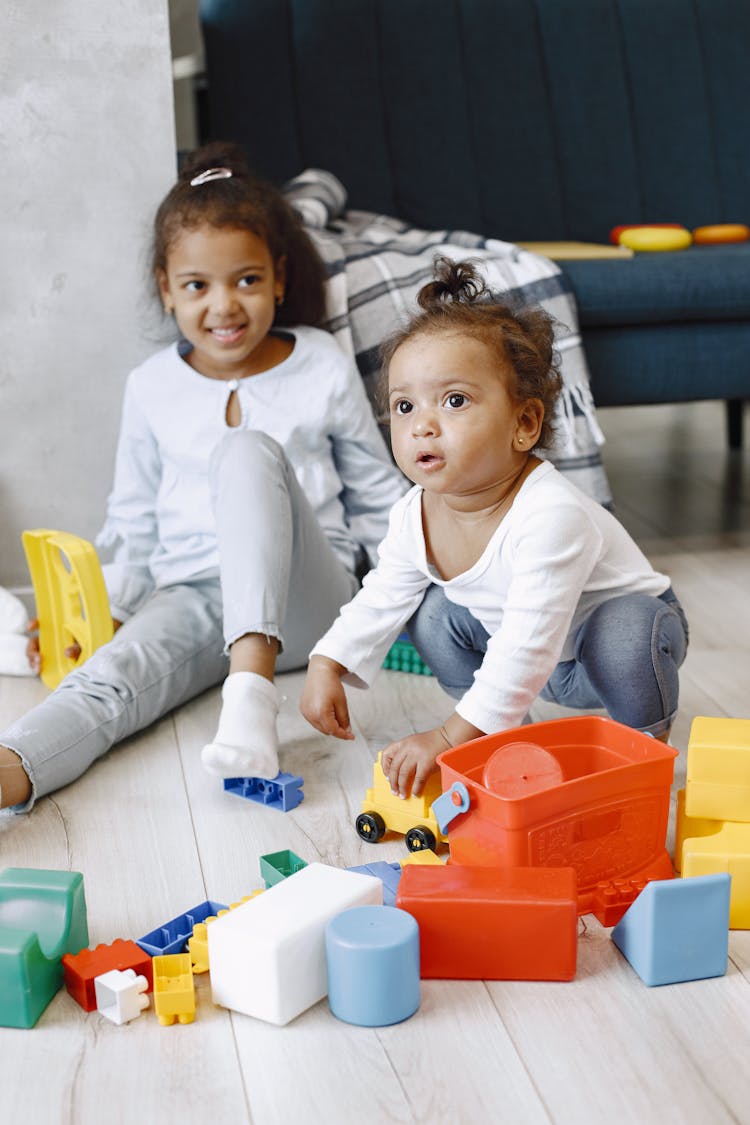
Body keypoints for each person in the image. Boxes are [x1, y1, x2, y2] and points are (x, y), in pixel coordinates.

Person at [0, 142, 406, 812]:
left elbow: (381, 501)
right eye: (197, 286)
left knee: (246, 451)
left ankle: (249, 696)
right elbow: (132, 523)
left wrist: (399, 603)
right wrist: (105, 614)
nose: (225, 305)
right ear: (166, 289)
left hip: (307, 605)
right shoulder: (151, 386)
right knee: (113, 675)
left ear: (278, 278)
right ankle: (15, 766)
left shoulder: (320, 363)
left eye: (246, 280)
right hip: (192, 597)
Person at [301, 258, 689, 799]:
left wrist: (443, 736)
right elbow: (381, 597)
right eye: (404, 406)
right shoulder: (414, 512)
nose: (423, 425)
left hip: (611, 650)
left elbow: (529, 643)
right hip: (533, 661)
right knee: (432, 615)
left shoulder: (550, 513)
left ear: (524, 424)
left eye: (454, 400)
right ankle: (496, 736)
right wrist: (329, 660)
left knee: (626, 629)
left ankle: (642, 749)